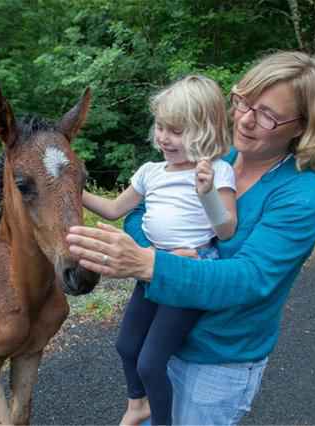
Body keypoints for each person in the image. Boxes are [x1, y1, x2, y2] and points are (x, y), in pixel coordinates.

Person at [67, 50, 315, 425]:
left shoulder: (301, 194)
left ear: (302, 126)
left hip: (216, 361)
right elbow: (141, 214)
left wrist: (154, 263)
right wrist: (159, 251)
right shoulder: (215, 156)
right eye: (243, 101)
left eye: (268, 115)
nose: (245, 120)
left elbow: (250, 279)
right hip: (164, 336)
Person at [82, 75, 237, 426]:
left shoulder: (216, 172)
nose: (164, 137)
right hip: (151, 267)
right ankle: (138, 405)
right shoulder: (150, 172)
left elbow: (226, 230)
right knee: (126, 346)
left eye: (177, 131)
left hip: (189, 273)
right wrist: (73, 189)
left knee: (151, 362)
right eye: (161, 127)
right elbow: (113, 209)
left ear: (205, 132)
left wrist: (207, 194)